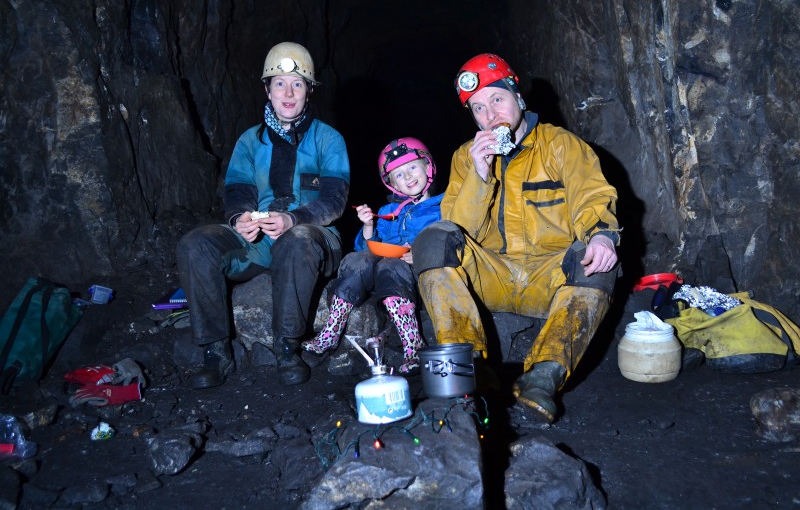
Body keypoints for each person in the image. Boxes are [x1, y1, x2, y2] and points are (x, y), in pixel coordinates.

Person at [412, 53, 620, 424]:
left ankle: (544, 374)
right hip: (493, 275)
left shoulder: (560, 145)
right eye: (478, 108)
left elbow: (591, 196)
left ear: (518, 97)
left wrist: (602, 237)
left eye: (497, 99)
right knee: (433, 238)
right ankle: (468, 367)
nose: (490, 115)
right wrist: (479, 174)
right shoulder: (466, 157)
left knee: (596, 257)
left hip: (549, 277)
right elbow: (459, 231)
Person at [176, 42, 350, 389]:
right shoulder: (250, 141)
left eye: (297, 84)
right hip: (259, 241)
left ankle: (287, 347)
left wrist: (294, 219)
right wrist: (239, 218)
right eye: (280, 83)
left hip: (314, 237)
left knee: (296, 239)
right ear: (267, 90)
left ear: (309, 91)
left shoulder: (328, 139)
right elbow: (238, 188)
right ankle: (216, 351)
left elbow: (334, 199)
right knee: (196, 244)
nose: (288, 92)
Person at [301, 138, 443, 374]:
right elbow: (368, 247)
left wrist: (421, 255)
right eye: (398, 174)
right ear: (391, 183)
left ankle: (413, 343)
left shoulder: (443, 207)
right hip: (378, 275)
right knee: (357, 259)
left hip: (410, 276)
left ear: (428, 167)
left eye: (412, 167)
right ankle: (331, 331)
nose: (407, 177)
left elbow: (447, 241)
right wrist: (368, 226)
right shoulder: (388, 212)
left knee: (391, 265)